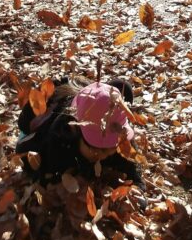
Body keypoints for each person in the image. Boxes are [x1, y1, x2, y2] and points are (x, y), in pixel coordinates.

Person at [16, 77, 144, 190]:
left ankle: (101, 95)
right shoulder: (58, 139)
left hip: (88, 101)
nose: (103, 156)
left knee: (124, 88)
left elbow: (133, 170)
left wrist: (137, 189)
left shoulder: (121, 140)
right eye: (96, 150)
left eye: (110, 148)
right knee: (25, 129)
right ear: (74, 130)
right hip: (53, 110)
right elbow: (41, 172)